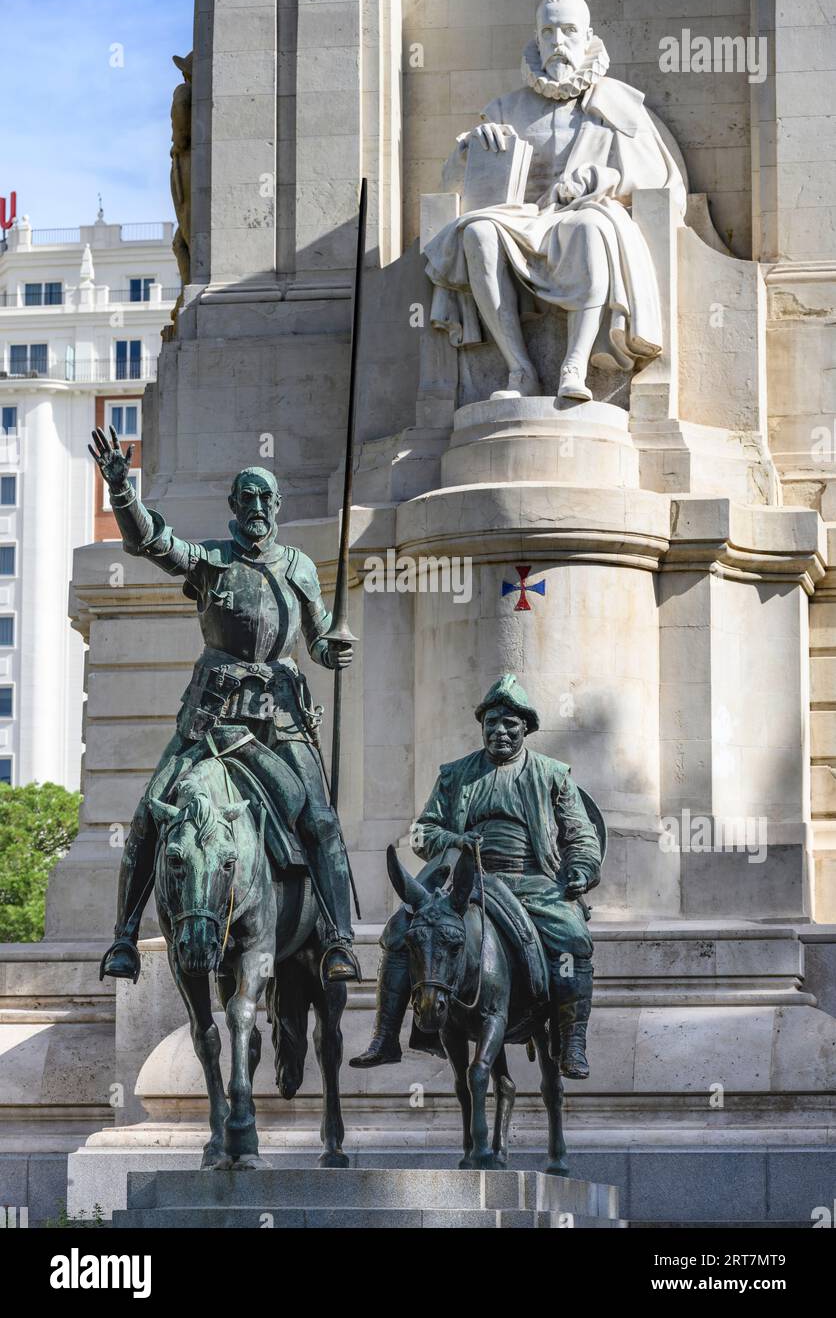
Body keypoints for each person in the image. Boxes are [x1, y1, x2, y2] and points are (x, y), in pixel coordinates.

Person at [89, 426, 359, 985]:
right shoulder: (211, 560)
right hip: (212, 718)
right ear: (234, 506)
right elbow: (153, 544)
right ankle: (123, 938)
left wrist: (332, 649)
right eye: (247, 497)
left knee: (323, 822)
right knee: (148, 813)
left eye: (266, 497)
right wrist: (123, 491)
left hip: (280, 720)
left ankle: (338, 939)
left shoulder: (301, 567)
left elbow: (316, 640)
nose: (257, 506)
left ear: (277, 506)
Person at [424, 0, 686, 401]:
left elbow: (657, 179)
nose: (559, 42)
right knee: (477, 233)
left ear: (588, 36)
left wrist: (603, 178)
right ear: (537, 39)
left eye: (568, 31)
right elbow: (450, 184)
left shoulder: (615, 102)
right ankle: (519, 370)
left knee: (592, 226)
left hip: (583, 212)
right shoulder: (506, 108)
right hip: (523, 218)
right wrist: (470, 147)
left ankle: (574, 366)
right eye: (549, 32)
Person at [351, 674, 602, 1077]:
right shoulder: (455, 775)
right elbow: (421, 832)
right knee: (400, 931)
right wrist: (456, 839)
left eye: (510, 724)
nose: (500, 732)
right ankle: (385, 1036)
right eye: (492, 723)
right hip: (465, 882)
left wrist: (581, 869)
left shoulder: (553, 774)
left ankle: (571, 1040)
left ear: (525, 729)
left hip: (531, 881)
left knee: (573, 940)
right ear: (482, 727)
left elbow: (581, 834)